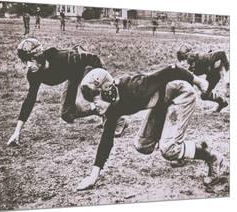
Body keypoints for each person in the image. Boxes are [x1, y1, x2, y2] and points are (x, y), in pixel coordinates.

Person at [76, 65, 224, 191]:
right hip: (162, 102)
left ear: (107, 89)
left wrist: (197, 81)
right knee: (143, 146)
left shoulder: (134, 86)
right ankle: (185, 148)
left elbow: (171, 69)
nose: (95, 105)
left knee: (168, 149)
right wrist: (93, 176)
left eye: (96, 97)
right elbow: (106, 139)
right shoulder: (112, 107)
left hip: (180, 94)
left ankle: (211, 157)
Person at [7, 38, 127, 146]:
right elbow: (30, 99)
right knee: (66, 114)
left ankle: (117, 117)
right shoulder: (34, 74)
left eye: (31, 60)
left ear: (39, 56)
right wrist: (17, 131)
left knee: (82, 104)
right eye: (25, 61)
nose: (28, 65)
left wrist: (100, 83)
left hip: (87, 66)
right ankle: (105, 114)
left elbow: (92, 58)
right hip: (73, 74)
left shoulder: (63, 57)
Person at [177, 44, 229, 112]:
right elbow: (190, 81)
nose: (184, 62)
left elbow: (222, 53)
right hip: (212, 74)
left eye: (185, 58)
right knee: (204, 96)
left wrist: (228, 72)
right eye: (183, 59)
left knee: (205, 93)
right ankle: (222, 102)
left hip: (214, 73)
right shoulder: (191, 67)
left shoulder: (203, 57)